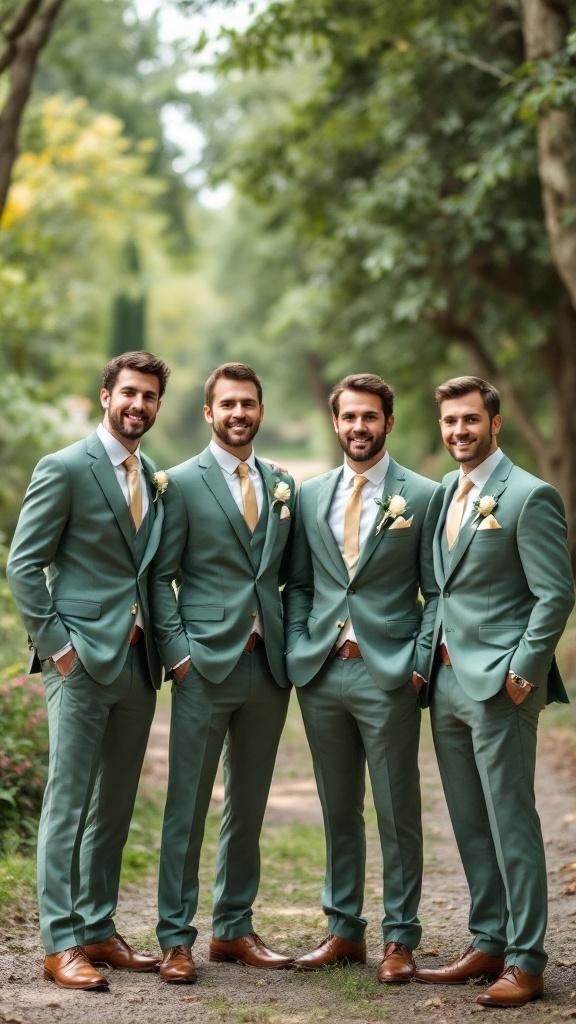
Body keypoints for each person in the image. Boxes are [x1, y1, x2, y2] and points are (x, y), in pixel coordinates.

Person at [7, 351, 171, 991]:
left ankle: (98, 927)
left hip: (135, 660)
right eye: (129, 393)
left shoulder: (151, 474)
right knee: (69, 800)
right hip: (77, 661)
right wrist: (59, 647)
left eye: (150, 396)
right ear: (106, 395)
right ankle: (59, 941)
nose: (139, 405)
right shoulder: (65, 468)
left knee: (115, 804)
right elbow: (25, 564)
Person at [414, 375, 575, 1007]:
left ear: (495, 424)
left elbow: (555, 593)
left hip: (501, 686)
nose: (459, 431)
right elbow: (442, 591)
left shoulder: (529, 496)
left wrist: (522, 672)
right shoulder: (446, 496)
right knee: (469, 820)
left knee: (512, 822)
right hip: (448, 682)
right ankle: (489, 939)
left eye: (470, 421)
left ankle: (528, 960)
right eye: (450, 421)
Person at [285, 373, 441, 982]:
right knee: (337, 806)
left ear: (388, 422)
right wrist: (301, 646)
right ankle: (344, 930)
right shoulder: (309, 495)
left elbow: (439, 591)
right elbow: (298, 582)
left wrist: (416, 663)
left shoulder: (423, 496)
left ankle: (400, 937)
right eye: (349, 417)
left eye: (369, 417)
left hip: (389, 674)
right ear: (336, 422)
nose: (359, 427)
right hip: (324, 673)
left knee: (398, 809)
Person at [150, 362, 295, 984]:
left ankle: (233, 928)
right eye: (228, 404)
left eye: (249, 403)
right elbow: (159, 576)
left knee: (250, 803)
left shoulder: (285, 483)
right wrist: (178, 654)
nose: (239, 413)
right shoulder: (178, 483)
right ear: (210, 413)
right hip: (203, 665)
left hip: (268, 665)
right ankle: (176, 937)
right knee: (187, 804)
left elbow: (292, 574)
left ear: (260, 410)